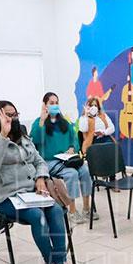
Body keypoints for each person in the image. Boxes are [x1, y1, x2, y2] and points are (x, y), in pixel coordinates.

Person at [0, 101, 81, 264]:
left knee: (56, 210)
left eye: (15, 114)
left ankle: (59, 263)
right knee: (37, 216)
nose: (13, 118)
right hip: (8, 197)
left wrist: (41, 177)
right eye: (8, 115)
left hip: (31, 193)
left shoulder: (23, 137)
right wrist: (3, 136)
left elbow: (39, 161)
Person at [31, 92, 95, 224]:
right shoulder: (39, 123)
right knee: (72, 174)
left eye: (56, 103)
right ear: (45, 105)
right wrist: (42, 120)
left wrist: (72, 148)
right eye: (51, 103)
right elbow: (35, 140)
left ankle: (87, 208)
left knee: (85, 171)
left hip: (67, 159)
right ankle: (72, 211)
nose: (55, 105)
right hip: (49, 161)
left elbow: (74, 138)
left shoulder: (64, 122)